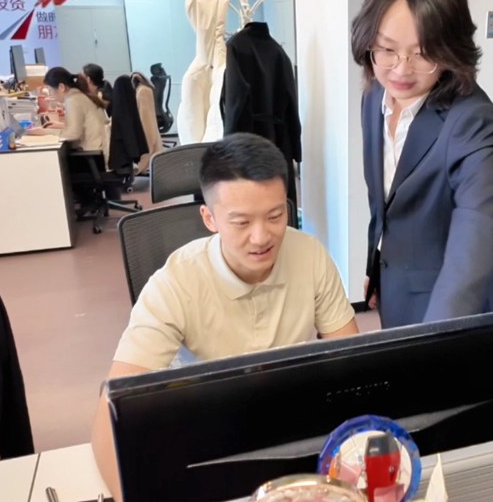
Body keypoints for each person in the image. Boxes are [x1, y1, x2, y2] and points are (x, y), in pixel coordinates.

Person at [91, 133, 359, 499]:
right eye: (241, 222)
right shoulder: (176, 283)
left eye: (275, 216)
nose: (261, 237)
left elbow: (351, 364)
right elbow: (113, 410)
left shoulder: (310, 255)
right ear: (209, 218)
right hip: (205, 431)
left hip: (289, 423)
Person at [351, 0, 493, 329]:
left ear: (451, 50)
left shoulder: (471, 119)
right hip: (396, 288)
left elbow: (480, 224)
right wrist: (377, 269)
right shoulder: (374, 95)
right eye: (387, 49)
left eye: (422, 53)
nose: (401, 69)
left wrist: (436, 337)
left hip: (451, 307)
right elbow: (385, 207)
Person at [27, 66, 108, 151]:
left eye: (50, 90)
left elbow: (73, 134)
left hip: (92, 152)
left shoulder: (73, 100)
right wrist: (61, 125)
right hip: (97, 148)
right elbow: (82, 125)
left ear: (61, 87)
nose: (50, 94)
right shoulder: (78, 95)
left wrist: (45, 132)